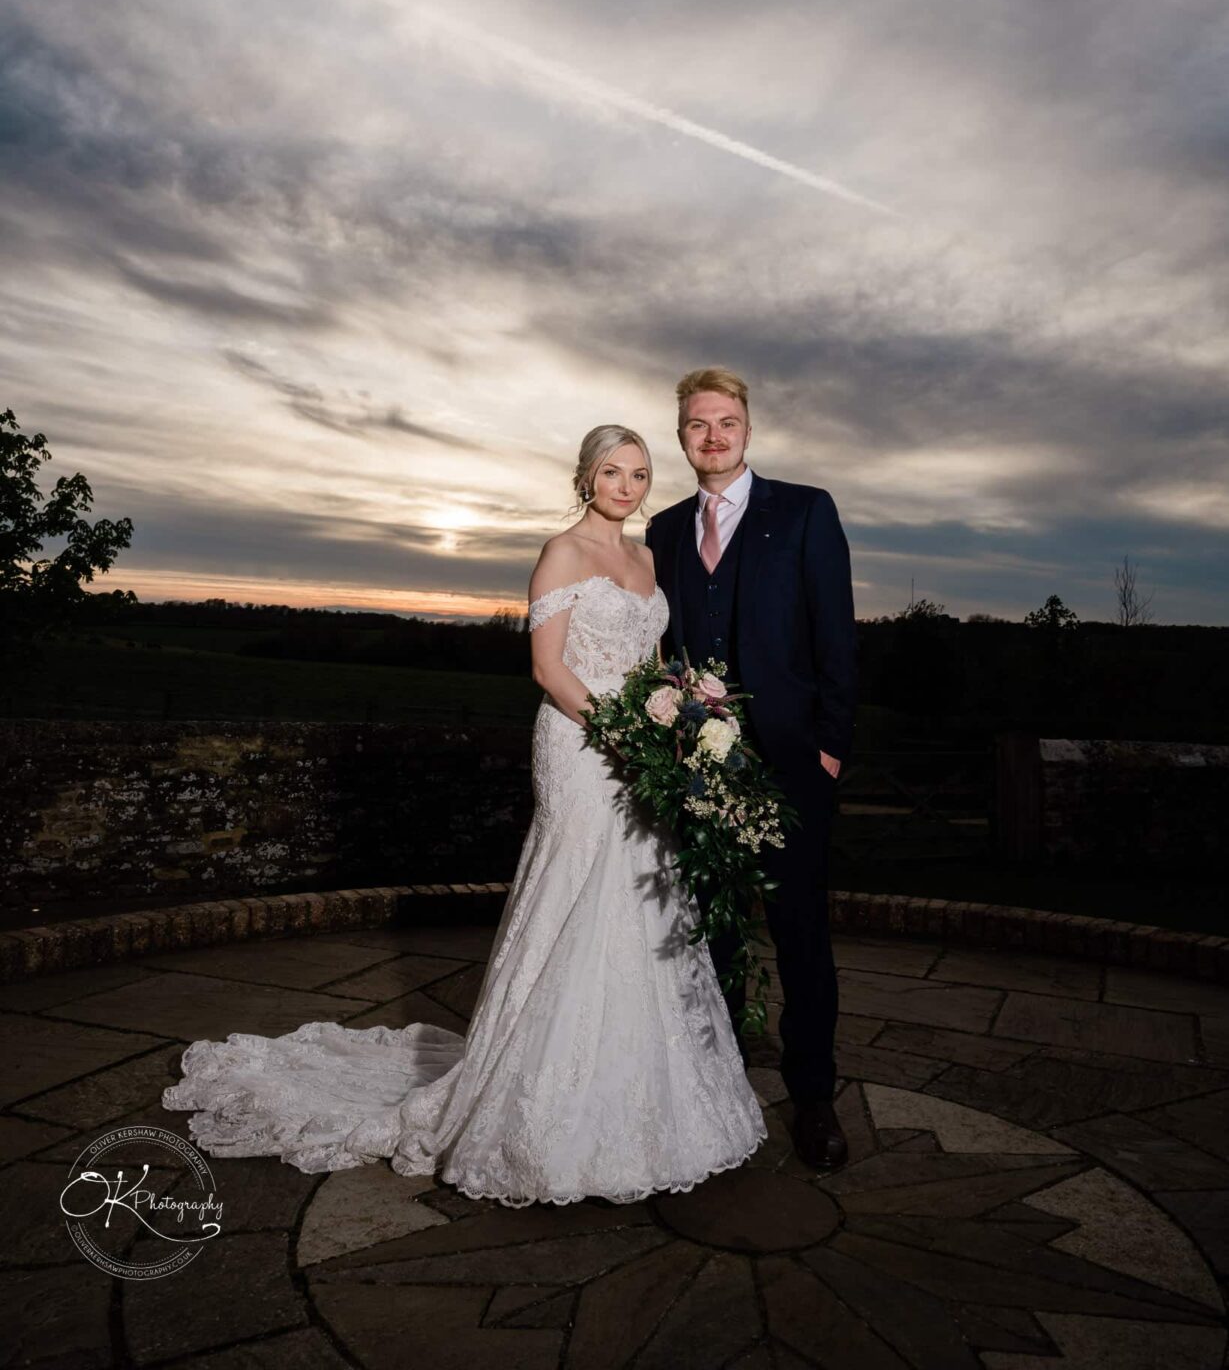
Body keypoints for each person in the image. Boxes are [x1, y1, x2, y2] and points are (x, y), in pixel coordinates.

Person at [162, 424, 767, 1205]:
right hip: (581, 749)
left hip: (641, 750)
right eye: (611, 472)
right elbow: (548, 667)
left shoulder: (648, 558)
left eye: (639, 473)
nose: (626, 485)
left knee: (642, 897)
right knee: (579, 889)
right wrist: (619, 734)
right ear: (584, 478)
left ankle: (644, 1088)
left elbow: (651, 664)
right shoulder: (561, 552)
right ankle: (532, 1090)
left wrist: (673, 721)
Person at [645, 368, 857, 1170]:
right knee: (709, 930)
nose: (712, 436)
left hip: (792, 763)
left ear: (747, 428)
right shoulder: (663, 529)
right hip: (698, 768)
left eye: (725, 421)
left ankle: (812, 1099)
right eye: (697, 424)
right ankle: (718, 1082)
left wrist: (828, 748)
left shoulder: (804, 511)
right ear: (682, 437)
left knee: (800, 934)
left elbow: (835, 637)